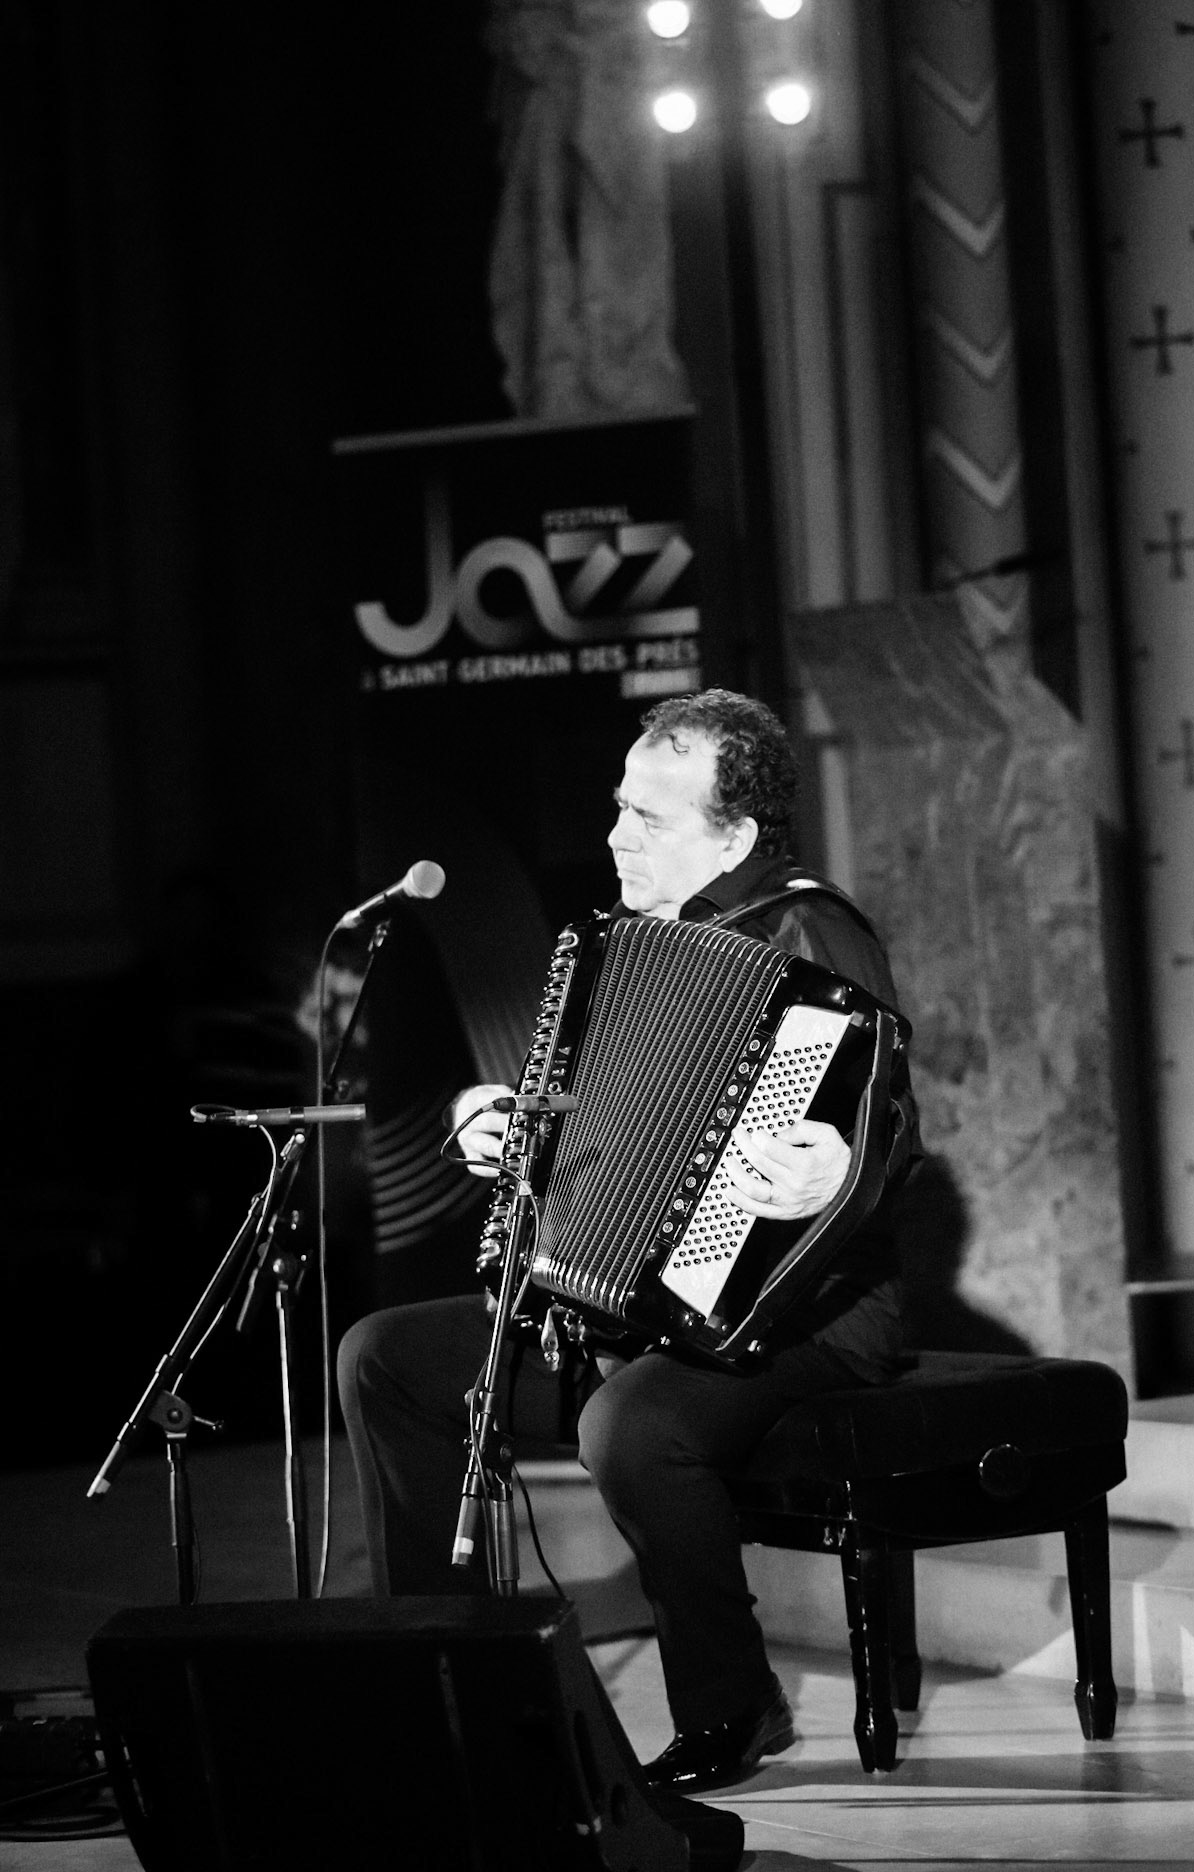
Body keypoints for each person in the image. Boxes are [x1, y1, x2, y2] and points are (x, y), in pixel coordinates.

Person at [337, 688, 923, 1793]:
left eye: (649, 818)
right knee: (386, 1357)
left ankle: (731, 1706)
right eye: (619, 807)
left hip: (808, 1314)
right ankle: (444, 1672)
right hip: (610, 1305)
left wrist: (833, 1169)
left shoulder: (812, 931)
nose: (614, 835)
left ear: (734, 835)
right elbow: (592, 1121)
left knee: (632, 1421)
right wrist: (499, 1127)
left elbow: (889, 1136)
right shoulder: (614, 943)